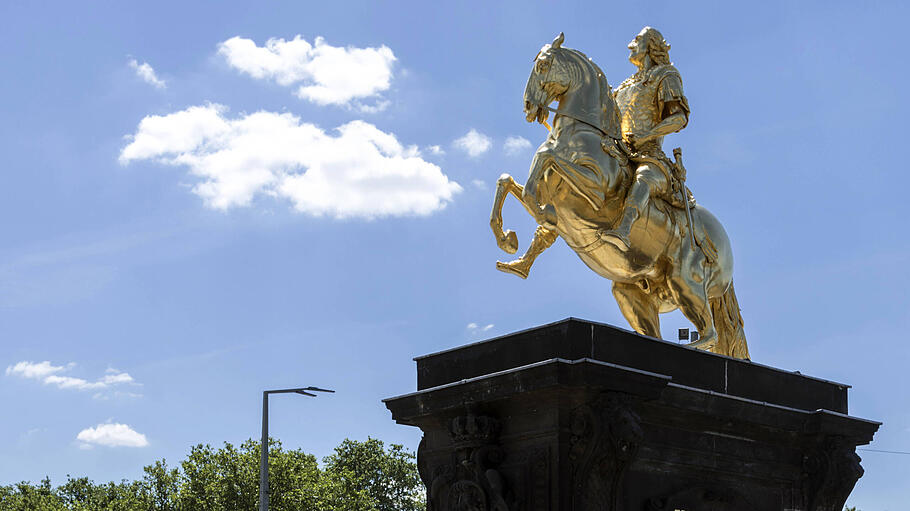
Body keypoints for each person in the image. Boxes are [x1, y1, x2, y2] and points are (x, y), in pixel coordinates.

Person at [601, 26, 690, 251]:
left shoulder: (665, 75)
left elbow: (678, 118)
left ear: (651, 45)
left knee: (644, 178)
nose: (630, 45)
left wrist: (647, 135)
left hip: (649, 155)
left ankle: (624, 229)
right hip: (618, 150)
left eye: (637, 40)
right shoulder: (623, 86)